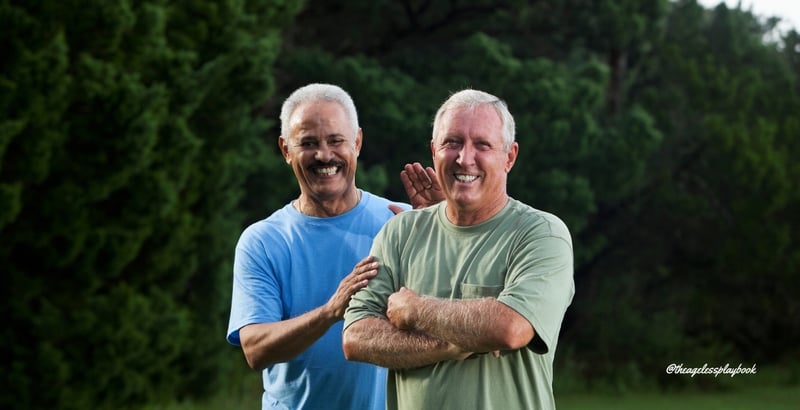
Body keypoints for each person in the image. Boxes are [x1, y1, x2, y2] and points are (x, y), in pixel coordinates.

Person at [342, 89, 575, 410]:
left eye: (482, 144)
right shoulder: (400, 231)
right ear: (433, 151)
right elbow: (356, 337)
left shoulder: (541, 234)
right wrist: (451, 343)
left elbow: (510, 327)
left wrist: (416, 310)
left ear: (510, 156)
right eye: (452, 142)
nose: (465, 158)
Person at [226, 83, 441, 410]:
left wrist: (446, 235)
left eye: (336, 140)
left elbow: (456, 317)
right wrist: (330, 312)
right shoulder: (263, 241)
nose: (324, 155)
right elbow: (255, 349)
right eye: (308, 143)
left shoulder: (403, 223)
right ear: (286, 150)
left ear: (357, 142)